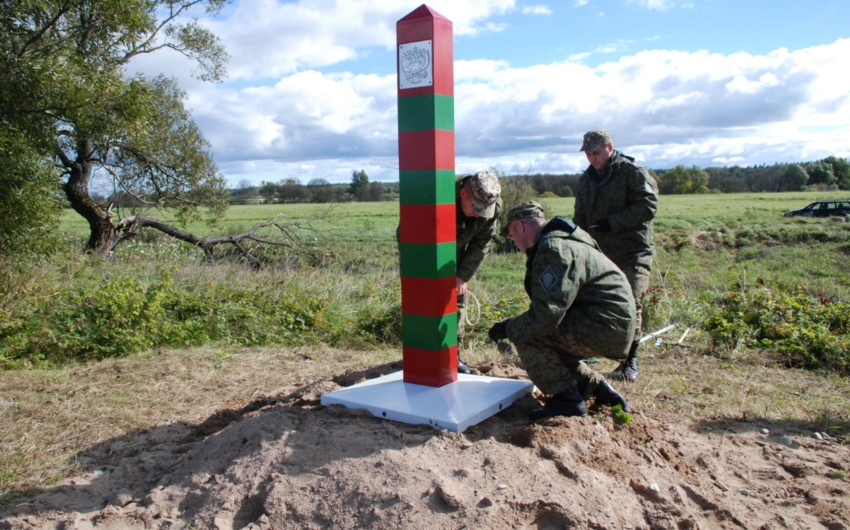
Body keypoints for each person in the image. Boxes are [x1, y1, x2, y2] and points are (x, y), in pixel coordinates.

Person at [488, 201, 633, 420]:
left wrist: (508, 328)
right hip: (611, 324)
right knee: (552, 344)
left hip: (604, 325)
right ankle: (597, 388)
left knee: (529, 334)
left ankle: (567, 401)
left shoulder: (552, 249)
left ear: (519, 227)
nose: (513, 241)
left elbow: (546, 317)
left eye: (510, 234)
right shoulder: (565, 242)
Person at [574, 130, 658, 382]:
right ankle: (589, 349)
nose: (592, 158)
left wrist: (613, 223)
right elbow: (580, 217)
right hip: (600, 253)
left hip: (633, 252)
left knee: (631, 301)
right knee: (589, 300)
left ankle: (629, 360)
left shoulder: (632, 173)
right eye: (588, 154)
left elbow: (647, 206)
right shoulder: (586, 181)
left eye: (596, 153)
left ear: (609, 147)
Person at [398, 171, 502, 374]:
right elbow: (407, 234)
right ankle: (420, 352)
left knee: (456, 298)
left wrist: (462, 275)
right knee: (421, 302)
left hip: (456, 252)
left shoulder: (492, 205)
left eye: (484, 211)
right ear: (463, 193)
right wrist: (421, 271)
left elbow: (482, 243)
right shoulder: (434, 198)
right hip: (422, 250)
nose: (479, 214)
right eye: (475, 208)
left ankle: (451, 353)